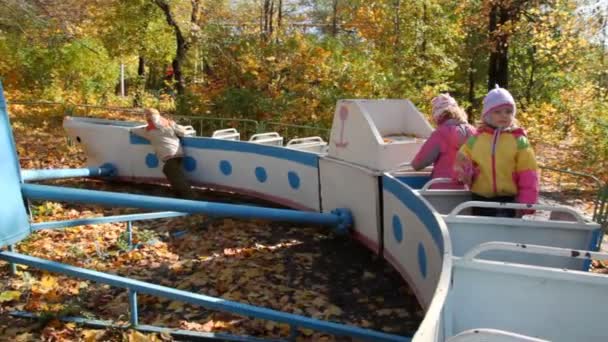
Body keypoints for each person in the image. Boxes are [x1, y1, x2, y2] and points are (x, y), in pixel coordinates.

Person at [454, 85, 538, 217]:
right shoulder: (476, 140)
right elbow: (460, 161)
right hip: (479, 199)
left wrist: (527, 203)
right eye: (497, 112)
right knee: (480, 235)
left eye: (508, 111)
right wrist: (466, 173)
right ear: (487, 115)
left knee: (506, 235)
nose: (503, 115)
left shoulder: (519, 141)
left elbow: (529, 173)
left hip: (509, 201)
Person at [411, 93, 476, 189]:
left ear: (438, 116)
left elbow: (418, 164)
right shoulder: (475, 132)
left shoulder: (441, 133)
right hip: (470, 189)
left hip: (442, 189)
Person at [131, 108, 195, 199]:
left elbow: (135, 130)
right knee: (170, 172)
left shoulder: (149, 130)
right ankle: (180, 194)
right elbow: (182, 132)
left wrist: (131, 130)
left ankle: (191, 196)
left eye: (147, 115)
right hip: (177, 151)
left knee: (174, 175)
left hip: (169, 155)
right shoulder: (169, 123)